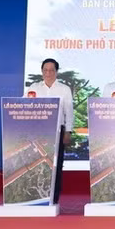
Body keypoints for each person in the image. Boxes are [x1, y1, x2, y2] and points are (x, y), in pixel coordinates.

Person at [27, 58, 75, 204]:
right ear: (42, 71)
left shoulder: (64, 89)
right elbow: (23, 106)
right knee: (36, 163)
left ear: (56, 72)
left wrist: (68, 131)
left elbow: (69, 112)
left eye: (51, 70)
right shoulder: (33, 88)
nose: (48, 73)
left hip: (57, 131)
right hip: (37, 132)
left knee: (56, 165)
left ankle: (53, 199)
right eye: (45, 70)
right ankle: (35, 197)